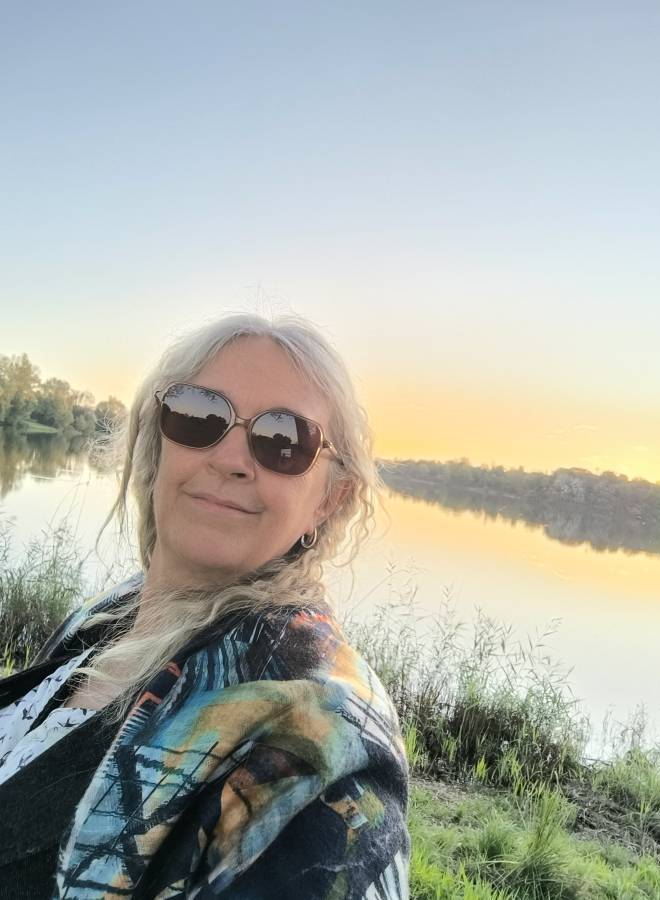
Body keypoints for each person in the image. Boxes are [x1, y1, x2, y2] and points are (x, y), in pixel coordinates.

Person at [0, 312, 410, 899]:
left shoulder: (322, 738)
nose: (230, 458)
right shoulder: (107, 618)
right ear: (158, 442)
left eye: (284, 442)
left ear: (329, 498)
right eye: (199, 417)